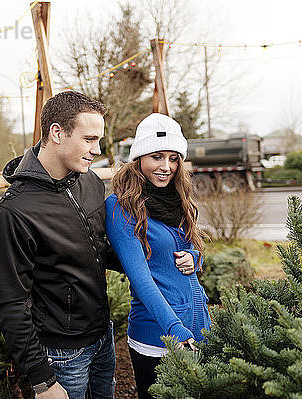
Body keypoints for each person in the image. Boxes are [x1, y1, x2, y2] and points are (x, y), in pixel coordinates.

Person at [0, 91, 121, 399]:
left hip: (103, 336)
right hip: (62, 356)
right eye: (89, 139)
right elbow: (9, 302)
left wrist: (156, 258)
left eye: (98, 140)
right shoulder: (15, 211)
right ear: (57, 133)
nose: (96, 150)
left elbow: (97, 247)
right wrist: (42, 379)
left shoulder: (90, 182)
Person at [105, 113, 211, 399]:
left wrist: (194, 258)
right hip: (159, 335)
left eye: (174, 158)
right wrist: (174, 329)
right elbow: (141, 278)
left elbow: (188, 248)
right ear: (139, 157)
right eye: (157, 157)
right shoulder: (121, 207)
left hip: (198, 325)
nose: (167, 167)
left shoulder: (177, 197)